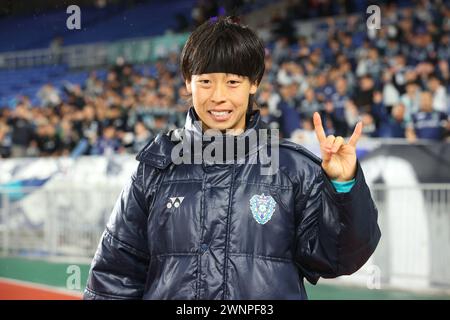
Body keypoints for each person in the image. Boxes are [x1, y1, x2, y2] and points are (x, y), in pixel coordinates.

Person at [84, 16, 381, 300]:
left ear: (254, 83)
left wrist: (343, 186)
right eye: (206, 82)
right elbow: (115, 274)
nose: (218, 96)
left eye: (232, 83)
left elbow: (338, 259)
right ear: (188, 82)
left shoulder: (294, 169)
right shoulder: (155, 167)